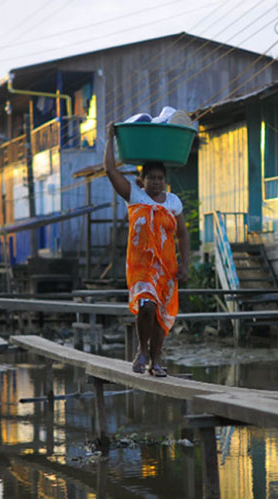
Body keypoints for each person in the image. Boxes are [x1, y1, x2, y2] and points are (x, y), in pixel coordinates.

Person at [103, 123, 190, 377]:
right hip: (141, 267)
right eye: (151, 177)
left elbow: (183, 234)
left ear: (165, 180)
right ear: (144, 179)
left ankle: (156, 360)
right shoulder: (135, 195)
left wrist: (185, 264)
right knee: (147, 306)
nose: (156, 182)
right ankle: (142, 349)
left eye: (160, 178)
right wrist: (110, 137)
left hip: (167, 268)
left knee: (162, 317)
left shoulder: (174, 202)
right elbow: (109, 170)